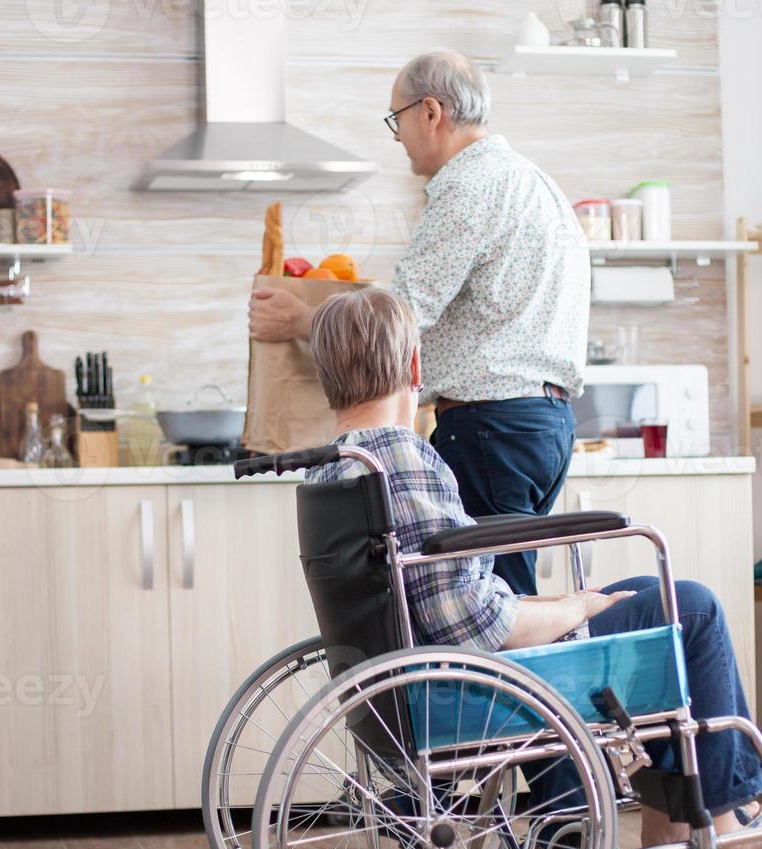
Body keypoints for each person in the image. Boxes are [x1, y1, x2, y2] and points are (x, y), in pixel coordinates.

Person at [302, 287, 762, 849]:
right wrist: (571, 609)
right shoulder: (406, 459)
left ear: (326, 375)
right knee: (690, 607)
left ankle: (673, 814)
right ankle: (728, 828)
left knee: (632, 598)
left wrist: (562, 606)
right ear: (418, 367)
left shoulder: (337, 465)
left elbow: (439, 601)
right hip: (470, 688)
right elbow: (474, 625)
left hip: (406, 685)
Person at [250, 50, 589, 597]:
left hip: (490, 428)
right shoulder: (531, 180)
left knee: (493, 619)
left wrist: (302, 319)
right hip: (542, 425)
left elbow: (397, 315)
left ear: (430, 112)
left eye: (396, 118)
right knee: (509, 604)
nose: (397, 136)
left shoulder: (470, 185)